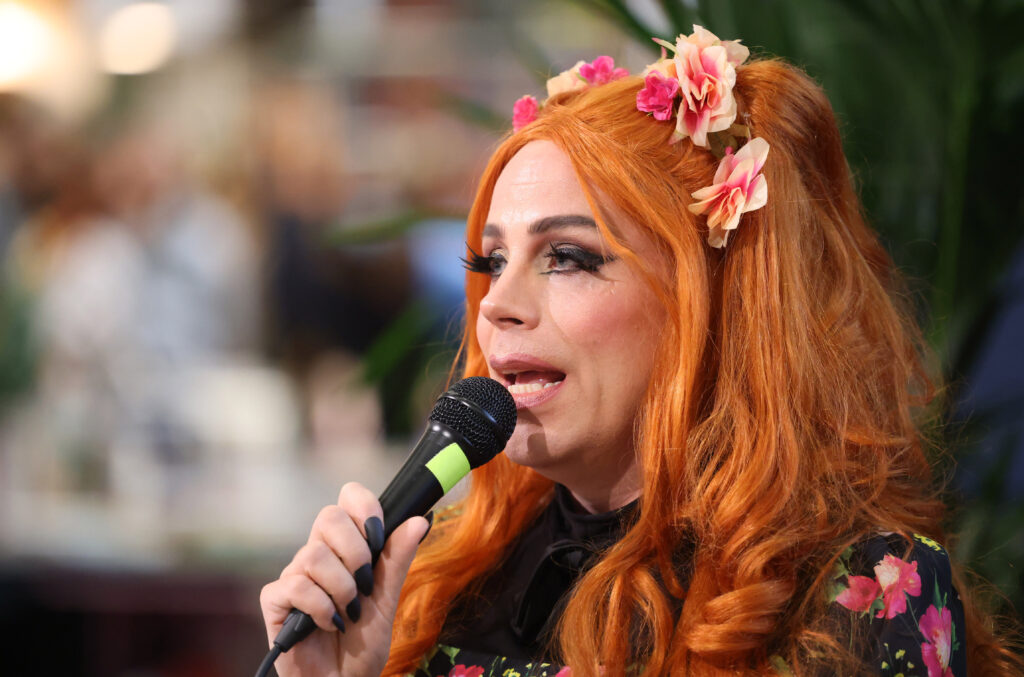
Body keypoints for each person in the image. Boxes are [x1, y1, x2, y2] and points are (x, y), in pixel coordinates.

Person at [260, 27, 1023, 676]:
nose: (495, 304)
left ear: (707, 302)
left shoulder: (869, 593)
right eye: (490, 261)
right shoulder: (430, 586)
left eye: (567, 256)